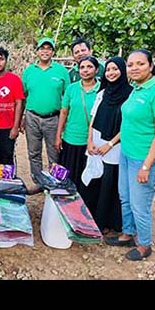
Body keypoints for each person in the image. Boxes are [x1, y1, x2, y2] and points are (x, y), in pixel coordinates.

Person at [105, 49, 155, 261]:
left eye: (140, 64)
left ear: (151, 66)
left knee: (140, 204)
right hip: (127, 154)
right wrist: (113, 144)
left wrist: (146, 166)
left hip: (145, 159)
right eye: (130, 64)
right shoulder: (136, 89)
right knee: (124, 198)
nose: (134, 68)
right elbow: (128, 123)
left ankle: (145, 245)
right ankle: (127, 234)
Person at [86, 56, 133, 235]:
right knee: (94, 180)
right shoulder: (102, 93)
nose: (111, 73)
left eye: (115, 69)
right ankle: (91, 217)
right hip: (96, 143)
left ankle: (106, 221)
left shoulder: (130, 95)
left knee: (109, 184)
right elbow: (93, 119)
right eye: (108, 70)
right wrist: (90, 141)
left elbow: (128, 125)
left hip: (115, 147)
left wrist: (110, 144)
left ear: (122, 71)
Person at [56, 56, 102, 211]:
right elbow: (64, 112)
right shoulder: (72, 88)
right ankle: (66, 208)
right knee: (69, 176)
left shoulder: (102, 90)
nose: (85, 70)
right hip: (70, 138)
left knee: (87, 178)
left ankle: (84, 209)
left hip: (91, 142)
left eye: (89, 67)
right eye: (82, 67)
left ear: (96, 70)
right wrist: (58, 135)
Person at [21, 37, 70, 177]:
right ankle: (38, 180)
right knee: (33, 152)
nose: (45, 51)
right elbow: (23, 96)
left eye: (49, 48)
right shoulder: (29, 71)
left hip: (53, 118)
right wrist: (21, 118)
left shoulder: (61, 71)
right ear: (37, 51)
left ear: (53, 52)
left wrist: (64, 121)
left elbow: (67, 97)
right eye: (42, 48)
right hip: (32, 117)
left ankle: (54, 181)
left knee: (54, 151)